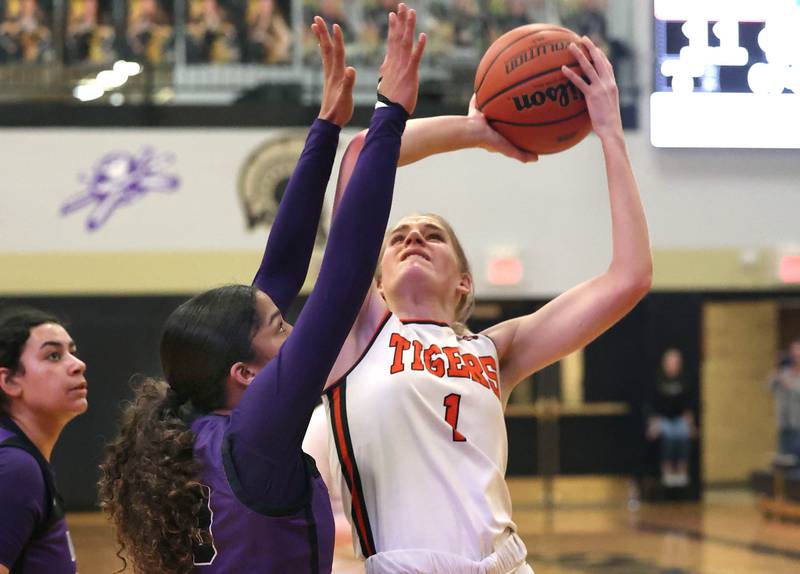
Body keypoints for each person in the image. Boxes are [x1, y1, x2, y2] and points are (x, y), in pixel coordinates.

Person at [98, 6, 425, 573]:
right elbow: (343, 278)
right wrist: (389, 114)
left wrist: (325, 127)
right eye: (280, 326)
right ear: (243, 372)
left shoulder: (205, 428)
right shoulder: (256, 436)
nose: (292, 326)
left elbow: (278, 270)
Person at [317, 36, 651, 572]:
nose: (413, 237)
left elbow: (630, 277)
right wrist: (475, 131)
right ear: (375, 280)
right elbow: (360, 157)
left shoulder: (498, 351)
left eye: (433, 235)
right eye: (399, 235)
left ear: (465, 283)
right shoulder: (359, 334)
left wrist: (609, 131)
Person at [0, 306, 88, 574]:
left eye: (72, 352)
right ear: (10, 382)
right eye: (53, 356)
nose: (77, 364)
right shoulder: (15, 468)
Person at [646, 348, 695, 487]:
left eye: (676, 362)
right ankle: (666, 473)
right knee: (668, 438)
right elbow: (652, 406)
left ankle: (682, 472)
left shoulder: (685, 380)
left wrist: (690, 426)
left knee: (683, 436)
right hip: (663, 419)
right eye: (671, 362)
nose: (674, 365)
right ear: (665, 363)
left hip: (679, 419)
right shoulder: (657, 380)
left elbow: (688, 407)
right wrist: (653, 424)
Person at [769, 339, 800, 460]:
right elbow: (769, 387)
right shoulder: (784, 372)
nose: (796, 356)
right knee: (785, 462)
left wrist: (789, 384)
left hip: (798, 425)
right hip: (784, 424)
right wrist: (776, 369)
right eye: (794, 353)